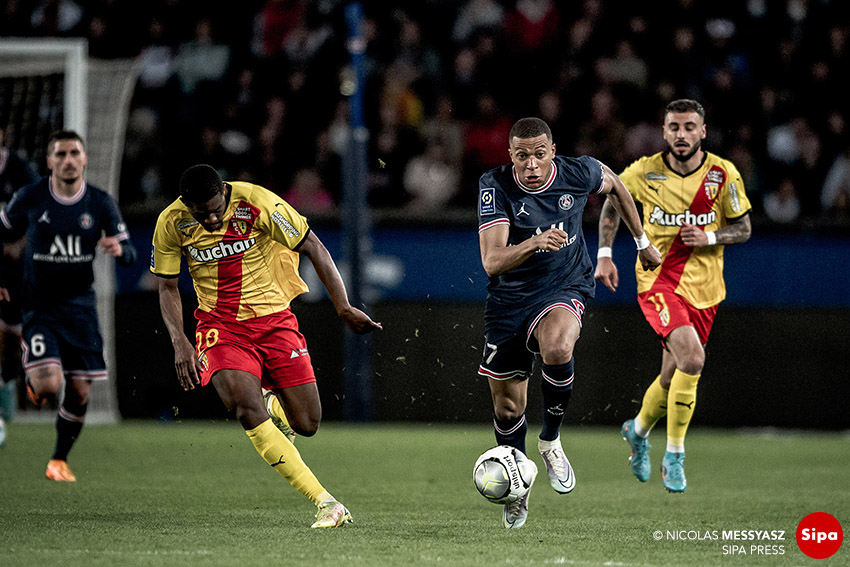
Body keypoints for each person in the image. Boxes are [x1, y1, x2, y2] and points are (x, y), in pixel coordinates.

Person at [151, 164, 381, 528]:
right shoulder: (172, 222)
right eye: (201, 213)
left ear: (224, 193)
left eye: (215, 209)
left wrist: (343, 306)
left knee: (307, 423)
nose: (211, 218)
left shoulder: (257, 203)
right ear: (186, 204)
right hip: (219, 326)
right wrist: (180, 342)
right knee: (244, 406)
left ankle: (273, 403)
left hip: (275, 322)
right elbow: (166, 287)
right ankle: (327, 502)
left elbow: (314, 247)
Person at [477, 117, 661, 529]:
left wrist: (642, 242)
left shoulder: (579, 172)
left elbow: (616, 186)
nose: (531, 164)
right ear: (511, 156)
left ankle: (551, 440)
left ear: (552, 152)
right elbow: (492, 262)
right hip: (509, 301)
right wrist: (534, 242)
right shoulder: (495, 185)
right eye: (522, 155)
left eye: (539, 154)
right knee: (508, 410)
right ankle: (518, 485)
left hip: (564, 285)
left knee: (558, 346)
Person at [594, 99, 751, 493]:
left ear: (703, 132)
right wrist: (605, 254)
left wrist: (711, 236)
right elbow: (613, 201)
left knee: (671, 375)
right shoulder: (646, 171)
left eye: (689, 127)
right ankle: (675, 455)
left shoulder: (722, 173)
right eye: (674, 127)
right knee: (693, 359)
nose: (681, 135)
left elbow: (744, 227)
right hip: (658, 281)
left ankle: (638, 430)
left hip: (707, 290)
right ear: (664, 132)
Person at [0, 130, 136, 477]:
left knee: (78, 392)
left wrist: (122, 251)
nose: (68, 160)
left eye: (74, 153)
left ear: (85, 158)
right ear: (49, 162)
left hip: (81, 310)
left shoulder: (100, 202)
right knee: (49, 386)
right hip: (40, 307)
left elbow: (131, 251)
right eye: (60, 154)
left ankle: (58, 459)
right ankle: (33, 375)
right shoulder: (29, 197)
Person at [0, 129, 39, 446]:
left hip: (13, 266)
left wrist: (19, 244)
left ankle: (7, 380)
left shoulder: (21, 171)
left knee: (12, 332)